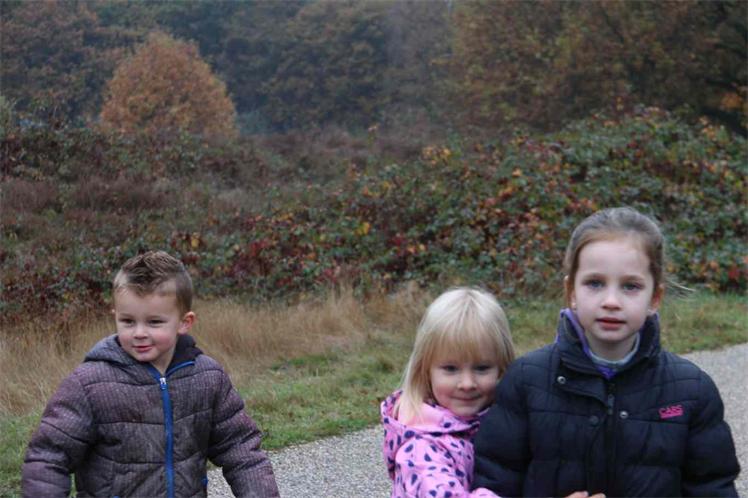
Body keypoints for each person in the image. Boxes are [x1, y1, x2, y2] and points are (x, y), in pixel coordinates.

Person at [473, 207, 741, 496]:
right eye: (595, 283)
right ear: (572, 292)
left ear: (655, 297)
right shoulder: (526, 380)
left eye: (630, 286)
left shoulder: (692, 391)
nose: (611, 301)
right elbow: (494, 483)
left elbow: (713, 488)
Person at [22, 250, 279, 497]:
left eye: (154, 322)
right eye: (128, 321)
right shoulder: (90, 384)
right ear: (115, 316)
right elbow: (48, 458)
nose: (139, 333)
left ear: (184, 322)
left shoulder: (207, 378)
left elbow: (241, 450)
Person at [381, 287, 516, 498]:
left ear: (503, 367)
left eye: (482, 368)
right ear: (425, 370)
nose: (467, 383)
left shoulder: (499, 421)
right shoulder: (420, 450)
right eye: (451, 369)